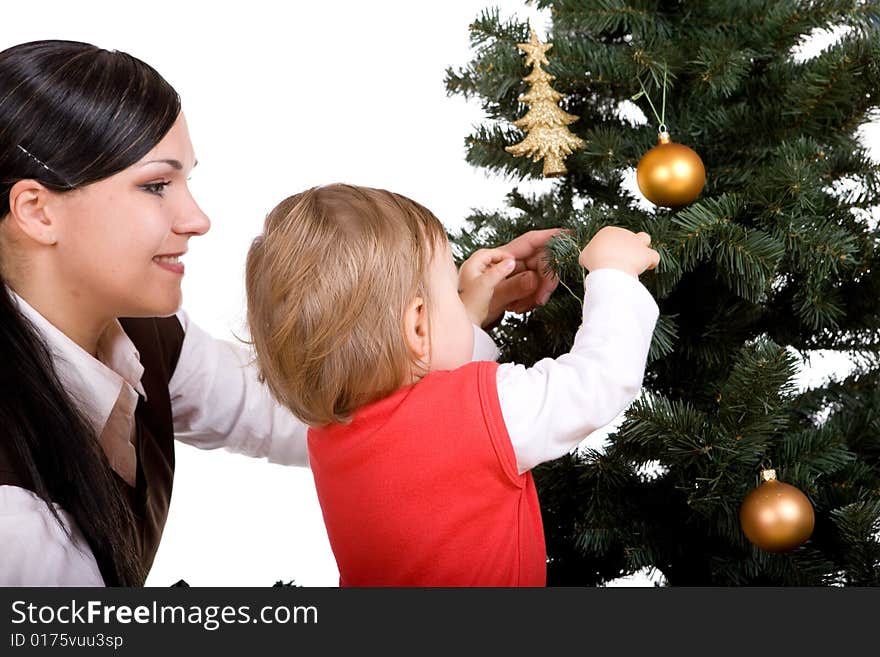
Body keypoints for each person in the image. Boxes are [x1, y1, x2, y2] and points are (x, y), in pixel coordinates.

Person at [0, 40, 558, 586]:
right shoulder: (12, 515)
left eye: (186, 181)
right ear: (37, 211)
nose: (197, 218)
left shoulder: (146, 336)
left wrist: (450, 318)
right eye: (155, 186)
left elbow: (322, 402)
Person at [245, 184, 661, 586]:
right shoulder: (477, 415)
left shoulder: (329, 436)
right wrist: (614, 273)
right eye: (449, 286)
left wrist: (472, 305)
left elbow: (426, 387)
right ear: (418, 324)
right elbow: (597, 381)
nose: (458, 295)